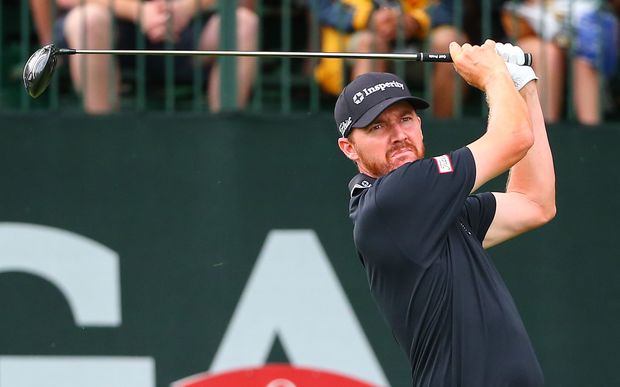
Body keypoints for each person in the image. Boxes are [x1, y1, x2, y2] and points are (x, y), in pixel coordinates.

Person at [335, 40, 555, 385]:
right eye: (377, 127)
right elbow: (513, 138)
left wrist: (522, 86)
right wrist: (493, 73)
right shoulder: (392, 199)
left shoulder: (434, 210)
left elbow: (534, 203)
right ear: (349, 148)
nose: (398, 135)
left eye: (406, 119)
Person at [53, 0, 258, 113]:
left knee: (244, 24)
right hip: (110, 29)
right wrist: (137, 11)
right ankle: (100, 139)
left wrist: (189, 6)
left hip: (186, 31)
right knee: (89, 20)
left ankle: (223, 139)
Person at [502, 0, 619, 125]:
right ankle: (544, 130)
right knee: (547, 54)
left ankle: (591, 132)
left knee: (586, 56)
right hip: (528, 32)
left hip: (580, 33)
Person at [314, 0, 430, 96]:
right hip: (354, 35)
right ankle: (363, 120)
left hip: (418, 38)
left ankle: (441, 122)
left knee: (444, 42)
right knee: (370, 43)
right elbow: (322, 8)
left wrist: (416, 21)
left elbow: (444, 8)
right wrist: (367, 18)